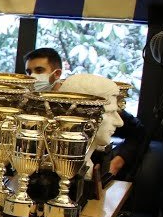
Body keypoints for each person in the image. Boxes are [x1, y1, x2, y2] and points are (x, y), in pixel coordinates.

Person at [24, 48, 148, 180]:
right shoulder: (29, 103)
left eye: (39, 70)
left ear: (57, 73)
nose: (32, 76)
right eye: (29, 72)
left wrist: (117, 162)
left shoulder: (85, 98)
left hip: (86, 174)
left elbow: (138, 132)